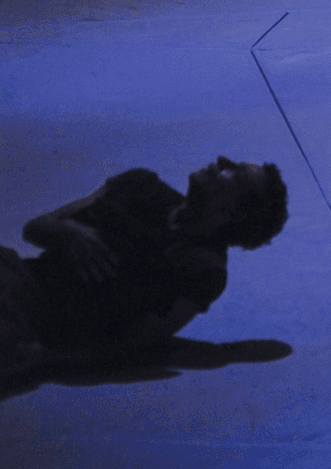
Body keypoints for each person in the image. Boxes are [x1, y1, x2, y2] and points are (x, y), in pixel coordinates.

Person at [0, 158, 288, 378]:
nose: (221, 162)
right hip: (16, 275)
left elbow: (133, 343)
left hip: (33, 324)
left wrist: (46, 358)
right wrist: (67, 233)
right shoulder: (140, 186)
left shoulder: (202, 269)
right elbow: (35, 228)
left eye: (234, 172)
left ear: (234, 212)